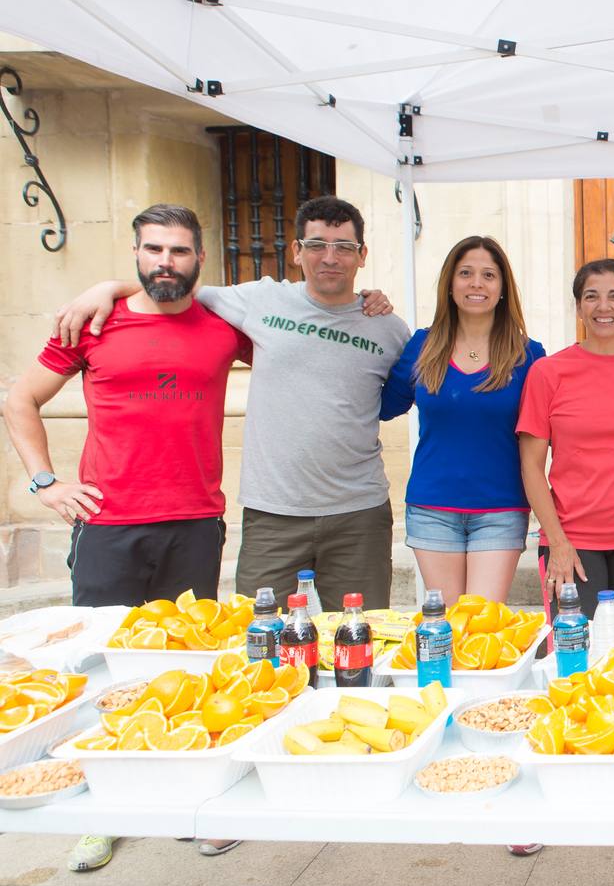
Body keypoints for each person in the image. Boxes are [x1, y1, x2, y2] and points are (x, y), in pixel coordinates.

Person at [2, 204, 248, 868]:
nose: (165, 262)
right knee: (104, 668)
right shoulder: (94, 323)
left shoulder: (225, 326)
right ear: (136, 254)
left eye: (179, 251)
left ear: (201, 258)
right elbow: (19, 399)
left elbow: (306, 334)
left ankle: (185, 796)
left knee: (186, 665)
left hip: (195, 520)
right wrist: (45, 482)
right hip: (109, 523)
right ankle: (99, 808)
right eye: (153, 250)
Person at [56, 196, 410, 611]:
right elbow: (173, 286)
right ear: (296, 251)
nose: (329, 257)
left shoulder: (388, 328)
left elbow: (395, 396)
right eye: (316, 244)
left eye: (343, 247)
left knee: (358, 635)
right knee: (258, 638)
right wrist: (109, 287)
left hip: (359, 512)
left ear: (362, 255)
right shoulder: (258, 301)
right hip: (272, 513)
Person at [381, 235, 545, 601]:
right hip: (432, 507)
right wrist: (370, 319)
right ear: (450, 284)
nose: (476, 283)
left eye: (488, 275)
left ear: (503, 288)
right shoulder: (422, 346)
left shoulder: (529, 355)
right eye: (466, 273)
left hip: (500, 508)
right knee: (447, 628)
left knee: (482, 622)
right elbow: (382, 405)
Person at [517, 258, 614, 623]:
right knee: (578, 650)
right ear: (578, 306)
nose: (604, 307)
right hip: (571, 538)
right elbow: (531, 466)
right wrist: (556, 541)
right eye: (592, 297)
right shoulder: (548, 372)